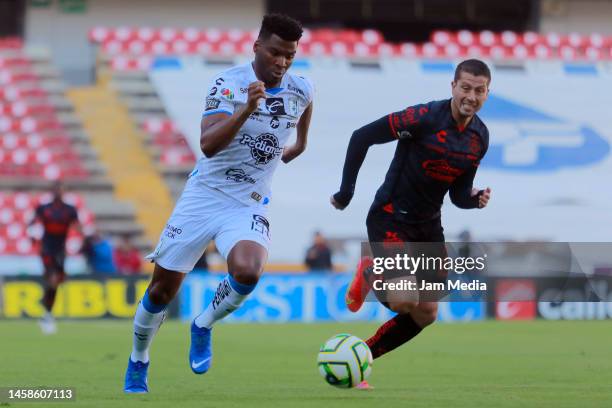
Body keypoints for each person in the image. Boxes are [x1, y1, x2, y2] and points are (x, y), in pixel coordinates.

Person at [124, 14, 314, 393]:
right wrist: (246, 109)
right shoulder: (228, 84)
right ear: (257, 47)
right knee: (162, 291)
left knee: (247, 272)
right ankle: (138, 359)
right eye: (276, 53)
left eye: (289, 56)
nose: (282, 62)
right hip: (203, 198)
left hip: (249, 202)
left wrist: (301, 144)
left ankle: (203, 324)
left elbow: (305, 108)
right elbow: (208, 146)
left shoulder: (300, 88)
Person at [331, 59, 492, 389]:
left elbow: (458, 193)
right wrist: (346, 191)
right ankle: (370, 271)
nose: (471, 96)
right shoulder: (422, 118)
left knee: (426, 313)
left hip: (429, 226)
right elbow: (362, 137)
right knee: (405, 300)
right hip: (390, 217)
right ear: (452, 87)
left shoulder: (479, 137)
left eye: (479, 90)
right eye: (465, 88)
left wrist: (473, 199)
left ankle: (361, 358)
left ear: (487, 93)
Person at [28, 181, 82, 334]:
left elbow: (78, 227)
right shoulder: (43, 208)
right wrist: (32, 236)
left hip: (60, 251)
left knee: (57, 282)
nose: (59, 192)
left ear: (64, 192)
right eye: (56, 189)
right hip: (47, 249)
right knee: (52, 279)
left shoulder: (70, 210)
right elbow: (32, 223)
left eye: (61, 189)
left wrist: (82, 239)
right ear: (52, 191)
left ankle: (46, 309)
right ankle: (47, 315)